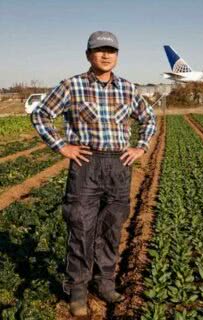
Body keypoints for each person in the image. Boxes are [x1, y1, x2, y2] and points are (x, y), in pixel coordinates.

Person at [31, 31, 156, 317]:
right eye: (99, 50)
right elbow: (40, 114)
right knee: (81, 227)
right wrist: (62, 146)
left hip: (119, 166)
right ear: (88, 54)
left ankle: (105, 283)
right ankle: (77, 290)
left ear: (117, 55)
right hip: (86, 165)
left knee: (112, 228)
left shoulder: (127, 88)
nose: (105, 54)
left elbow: (149, 118)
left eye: (111, 50)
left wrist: (140, 147)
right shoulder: (71, 86)